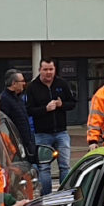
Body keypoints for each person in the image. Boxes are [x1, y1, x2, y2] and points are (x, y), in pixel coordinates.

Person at [25, 59, 78, 192]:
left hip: (61, 132)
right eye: (45, 69)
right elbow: (29, 110)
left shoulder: (62, 84)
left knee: (65, 166)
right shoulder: (32, 87)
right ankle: (46, 198)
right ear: (40, 70)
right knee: (44, 167)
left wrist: (62, 105)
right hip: (42, 133)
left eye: (51, 69)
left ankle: (65, 195)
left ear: (55, 70)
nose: (48, 73)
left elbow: (72, 103)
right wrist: (45, 109)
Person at [0, 70, 38, 165]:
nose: (24, 84)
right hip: (16, 145)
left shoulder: (18, 98)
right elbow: (4, 124)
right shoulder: (4, 100)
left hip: (26, 143)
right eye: (22, 81)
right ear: (14, 83)